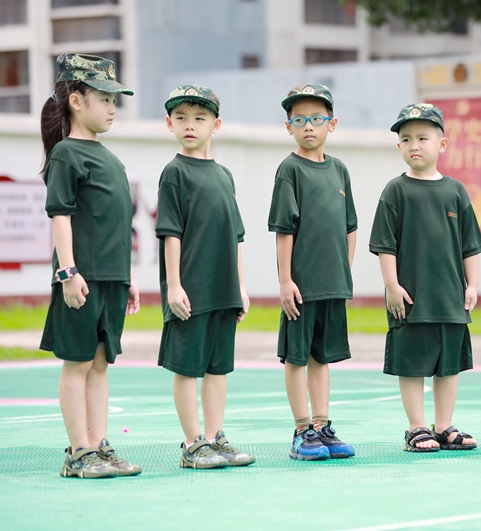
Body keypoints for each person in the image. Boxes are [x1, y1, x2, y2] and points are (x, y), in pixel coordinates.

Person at [39, 53, 142, 478]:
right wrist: (68, 272)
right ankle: (78, 452)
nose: (112, 106)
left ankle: (99, 447)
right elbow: (60, 215)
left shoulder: (111, 159)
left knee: (100, 363)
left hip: (111, 279)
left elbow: (115, 224)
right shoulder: (67, 154)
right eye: (104, 97)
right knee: (78, 363)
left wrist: (128, 277)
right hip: (79, 280)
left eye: (114, 99)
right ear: (77, 101)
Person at [369, 103, 481, 452]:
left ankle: (444, 425)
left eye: (423, 137)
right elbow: (385, 245)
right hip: (411, 297)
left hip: (449, 297)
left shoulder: (456, 191)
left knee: (448, 366)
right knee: (413, 363)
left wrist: (473, 284)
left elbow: (470, 245)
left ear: (442, 144)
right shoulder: (395, 191)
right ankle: (417, 427)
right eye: (406, 139)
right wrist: (391, 284)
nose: (414, 145)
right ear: (399, 146)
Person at [156, 85, 255, 469]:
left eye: (199, 118)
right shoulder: (174, 173)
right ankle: (192, 443)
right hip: (191, 291)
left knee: (217, 368)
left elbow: (236, 236)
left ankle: (215, 438)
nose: (190, 125)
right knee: (188, 367)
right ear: (169, 123)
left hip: (223, 289)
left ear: (216, 124)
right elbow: (170, 233)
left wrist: (241, 286)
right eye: (180, 118)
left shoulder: (224, 175)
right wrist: (175, 285)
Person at [268, 84, 357, 461]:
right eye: (299, 119)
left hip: (331, 285)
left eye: (316, 119)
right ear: (289, 126)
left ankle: (322, 425)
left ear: (331, 124)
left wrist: (343, 272)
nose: (308, 126)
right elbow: (284, 230)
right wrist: (286, 281)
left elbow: (350, 227)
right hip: (301, 287)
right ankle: (302, 428)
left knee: (322, 358)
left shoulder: (339, 170)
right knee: (297, 357)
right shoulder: (289, 169)